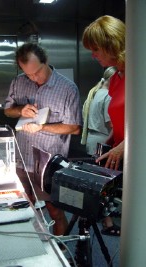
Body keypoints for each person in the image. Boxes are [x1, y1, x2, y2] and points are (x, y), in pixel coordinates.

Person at [4, 42, 82, 236]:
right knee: (23, 205)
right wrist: (20, 109)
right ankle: (29, 244)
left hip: (48, 163)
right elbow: (7, 110)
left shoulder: (67, 88)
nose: (33, 78)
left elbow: (74, 128)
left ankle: (61, 250)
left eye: (36, 72)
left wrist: (42, 127)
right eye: (27, 73)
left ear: (45, 61)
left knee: (54, 209)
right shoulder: (19, 82)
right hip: (22, 158)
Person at [82, 15, 125, 236]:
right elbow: (121, 121)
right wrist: (109, 143)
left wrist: (124, 145)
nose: (93, 54)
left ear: (112, 44)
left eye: (96, 48)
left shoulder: (138, 73)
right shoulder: (116, 78)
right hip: (123, 154)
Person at [81, 66, 116, 156]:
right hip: (102, 141)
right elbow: (111, 123)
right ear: (112, 79)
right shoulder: (108, 96)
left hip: (92, 139)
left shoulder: (96, 92)